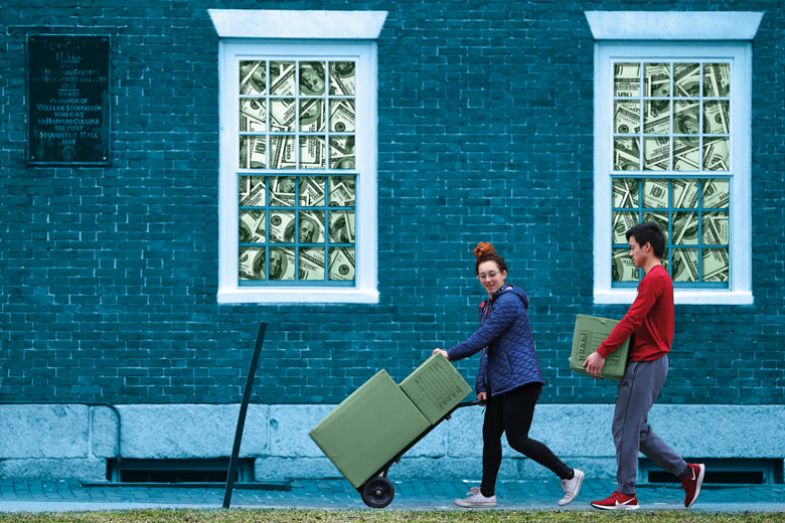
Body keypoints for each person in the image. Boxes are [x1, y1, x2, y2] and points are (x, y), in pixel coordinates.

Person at [433, 242, 584, 508]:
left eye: (493, 274)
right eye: (483, 276)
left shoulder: (509, 303)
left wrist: (449, 354)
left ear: (504, 274)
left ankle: (569, 475)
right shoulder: (490, 306)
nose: (488, 279)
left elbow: (482, 338)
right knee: (490, 435)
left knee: (517, 439)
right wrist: (482, 384)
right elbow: (489, 348)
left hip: (521, 382)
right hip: (502, 384)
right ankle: (487, 494)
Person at [583, 222, 705, 511]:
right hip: (652, 362)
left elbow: (632, 320)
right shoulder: (659, 278)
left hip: (646, 363)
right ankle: (687, 473)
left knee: (623, 428)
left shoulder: (654, 279)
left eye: (632, 246)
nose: (630, 253)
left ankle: (626, 494)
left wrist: (602, 352)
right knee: (637, 431)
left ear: (646, 247)